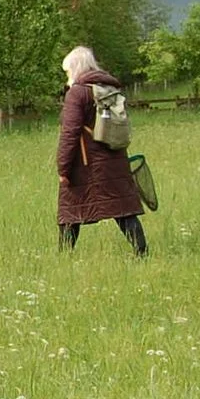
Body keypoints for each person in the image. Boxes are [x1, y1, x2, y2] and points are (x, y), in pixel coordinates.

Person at [55, 45, 147, 256]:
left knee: (70, 211)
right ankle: (142, 252)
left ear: (75, 68)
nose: (67, 75)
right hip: (115, 159)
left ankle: (64, 256)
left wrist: (63, 168)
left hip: (85, 165)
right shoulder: (109, 89)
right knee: (123, 209)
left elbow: (69, 134)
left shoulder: (77, 93)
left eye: (67, 70)